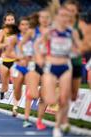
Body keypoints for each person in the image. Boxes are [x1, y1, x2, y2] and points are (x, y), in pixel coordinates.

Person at [36, 7, 81, 137]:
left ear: (69, 18)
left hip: (66, 67)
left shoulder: (72, 32)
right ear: (57, 18)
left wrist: (74, 51)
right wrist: (39, 58)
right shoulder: (50, 32)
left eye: (66, 16)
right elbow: (37, 45)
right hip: (50, 67)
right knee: (49, 99)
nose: (64, 18)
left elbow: (77, 48)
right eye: (61, 16)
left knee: (63, 98)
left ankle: (57, 127)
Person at [17, 9, 51, 129]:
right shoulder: (32, 32)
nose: (45, 20)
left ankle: (39, 121)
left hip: (48, 66)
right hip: (34, 65)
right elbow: (20, 45)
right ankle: (26, 118)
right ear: (39, 19)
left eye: (47, 17)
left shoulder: (53, 32)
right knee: (33, 94)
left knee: (45, 95)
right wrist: (22, 57)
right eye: (43, 17)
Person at [0, 12, 16, 99]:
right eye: (8, 20)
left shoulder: (19, 31)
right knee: (5, 85)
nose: (10, 21)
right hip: (4, 60)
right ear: (5, 22)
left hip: (15, 60)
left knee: (16, 82)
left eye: (12, 20)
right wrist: (6, 43)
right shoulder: (2, 32)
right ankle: (2, 92)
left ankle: (16, 104)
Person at [11, 17, 30, 117]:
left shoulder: (33, 37)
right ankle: (15, 105)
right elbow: (9, 52)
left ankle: (23, 113)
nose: (25, 26)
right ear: (19, 27)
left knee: (29, 89)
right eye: (23, 24)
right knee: (17, 89)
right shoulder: (15, 38)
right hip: (18, 66)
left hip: (30, 66)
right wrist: (18, 58)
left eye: (27, 24)